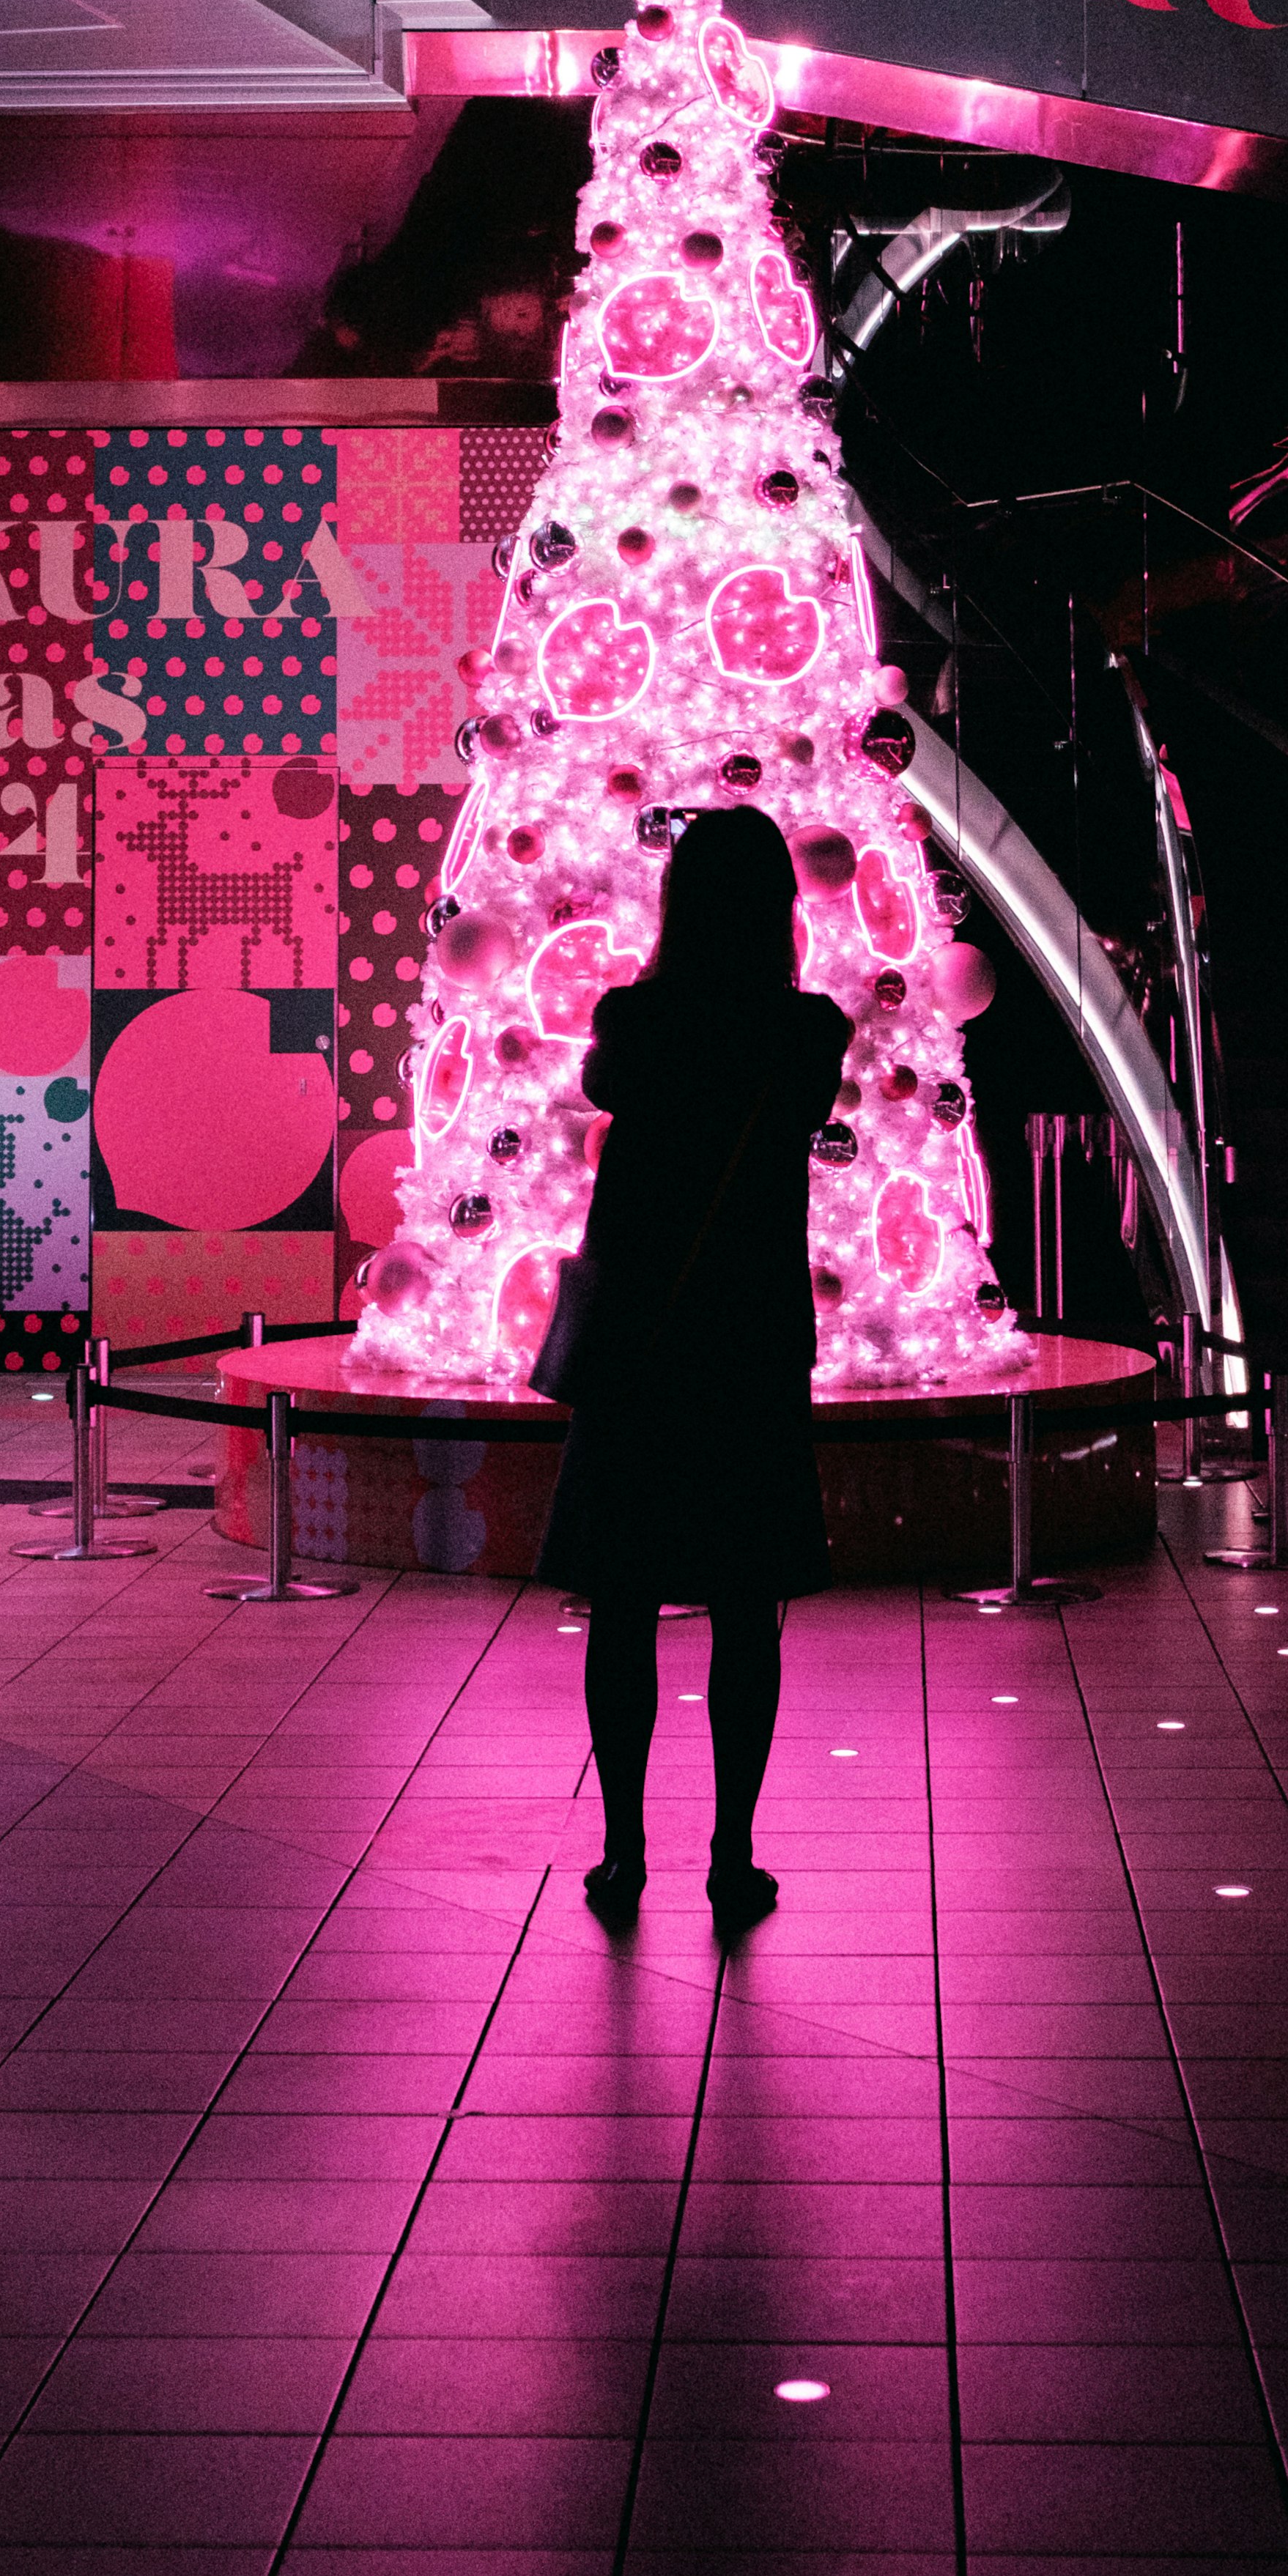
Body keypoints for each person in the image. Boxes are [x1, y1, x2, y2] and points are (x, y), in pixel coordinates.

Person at [537, 806, 851, 1933]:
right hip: (750, 1345)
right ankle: (732, 1853)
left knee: (623, 1607)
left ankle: (623, 1852)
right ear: (779, 907)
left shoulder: (633, 1021)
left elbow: (615, 1091)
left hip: (638, 1351)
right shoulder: (806, 1034)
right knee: (743, 1608)